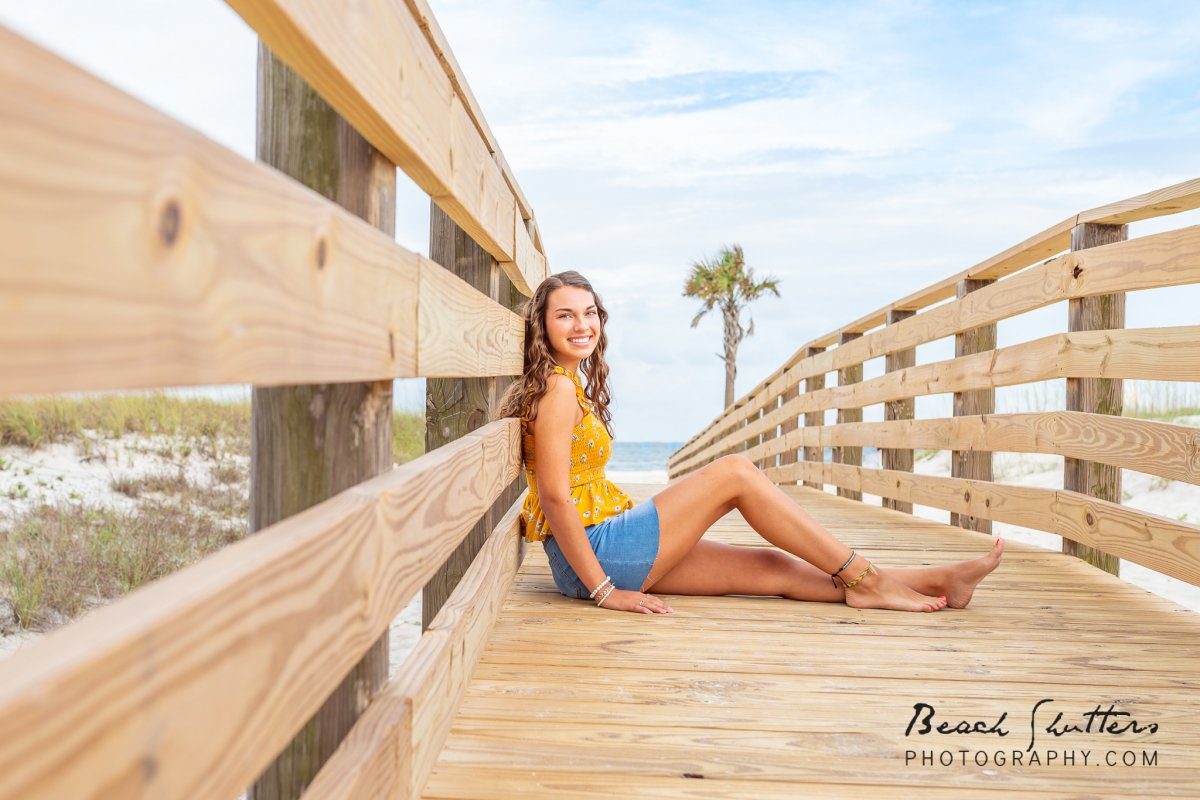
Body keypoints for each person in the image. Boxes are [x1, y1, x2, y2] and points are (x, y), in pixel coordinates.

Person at [498, 271, 1004, 615]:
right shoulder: (558, 390)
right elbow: (557, 497)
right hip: (597, 556)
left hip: (596, 552)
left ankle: (935, 581)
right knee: (735, 472)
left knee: (774, 568)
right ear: (542, 324)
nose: (582, 325)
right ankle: (866, 578)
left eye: (590, 312)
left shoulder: (566, 384)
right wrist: (605, 592)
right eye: (565, 315)